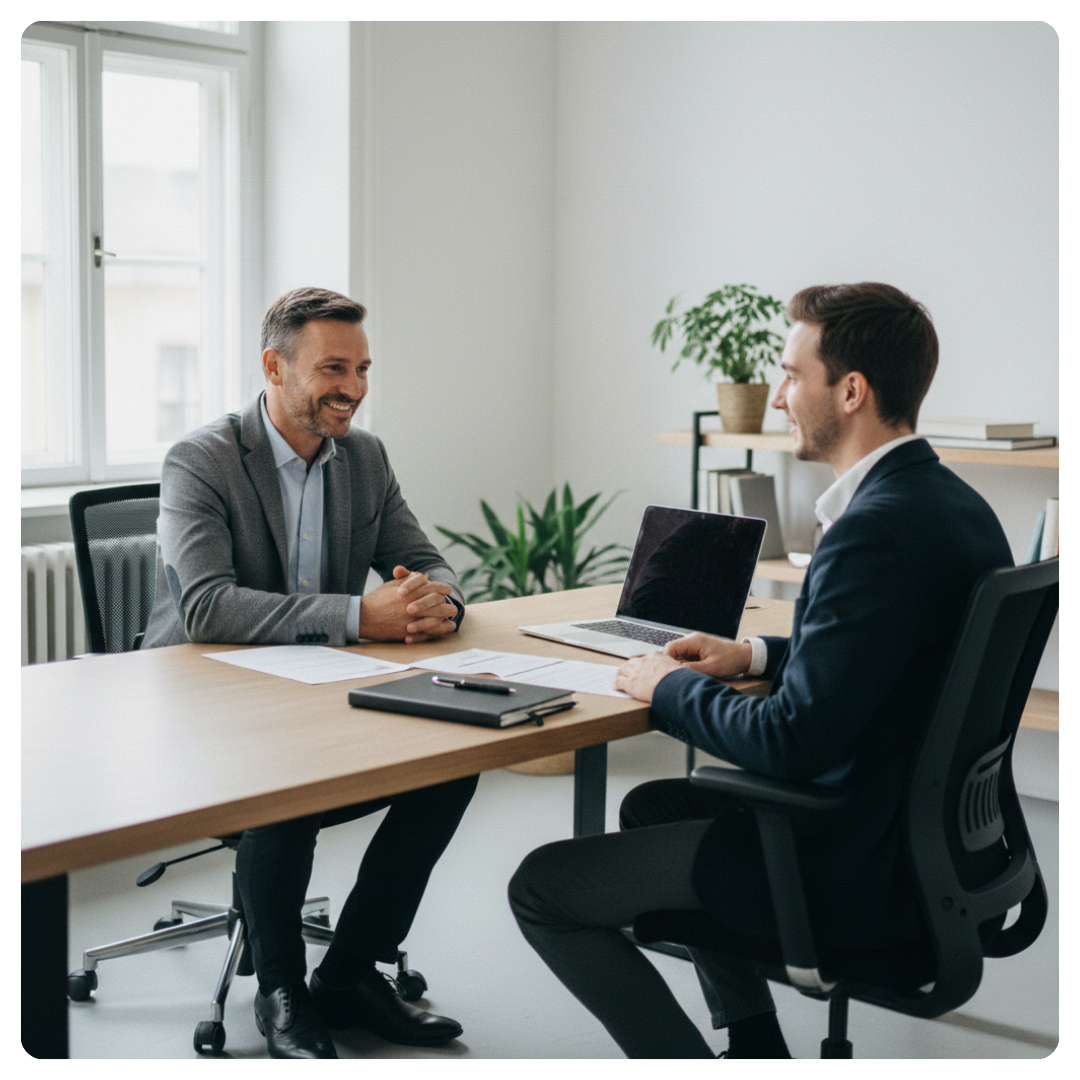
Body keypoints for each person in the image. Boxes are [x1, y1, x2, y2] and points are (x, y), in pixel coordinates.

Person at [508, 282, 1014, 1061]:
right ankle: (756, 1053)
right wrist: (755, 655)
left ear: (850, 391)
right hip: (927, 837)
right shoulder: (951, 504)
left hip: (852, 857)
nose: (778, 397)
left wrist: (668, 686)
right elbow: (902, 654)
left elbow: (789, 742)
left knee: (544, 887)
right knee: (652, 804)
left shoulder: (872, 531)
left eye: (790, 375)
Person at [142, 287, 478, 1060]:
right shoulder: (201, 459)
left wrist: (436, 603)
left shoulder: (364, 455)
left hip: (317, 690)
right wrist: (366, 616)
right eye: (334, 368)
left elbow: (426, 560)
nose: (353, 388)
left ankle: (353, 974)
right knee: (284, 791)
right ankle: (282, 992)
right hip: (204, 702)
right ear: (275, 367)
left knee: (452, 765)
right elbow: (206, 608)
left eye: (362, 368)